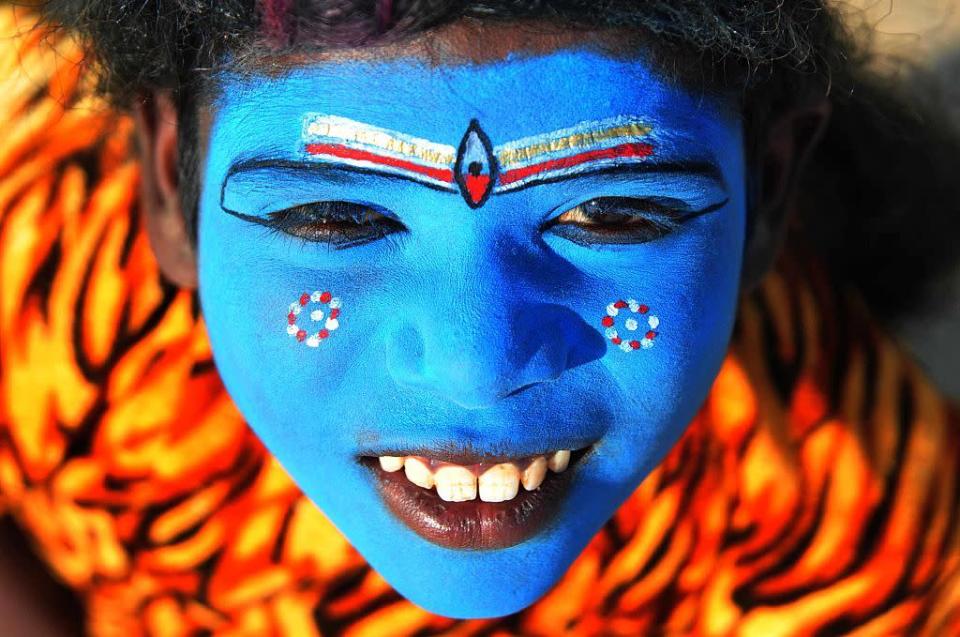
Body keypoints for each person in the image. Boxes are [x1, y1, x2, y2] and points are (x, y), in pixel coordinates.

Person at [0, 0, 958, 633]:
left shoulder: (849, 538)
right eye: (336, 216)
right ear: (170, 181)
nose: (477, 363)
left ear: (771, 193)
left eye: (613, 215)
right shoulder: (39, 257)